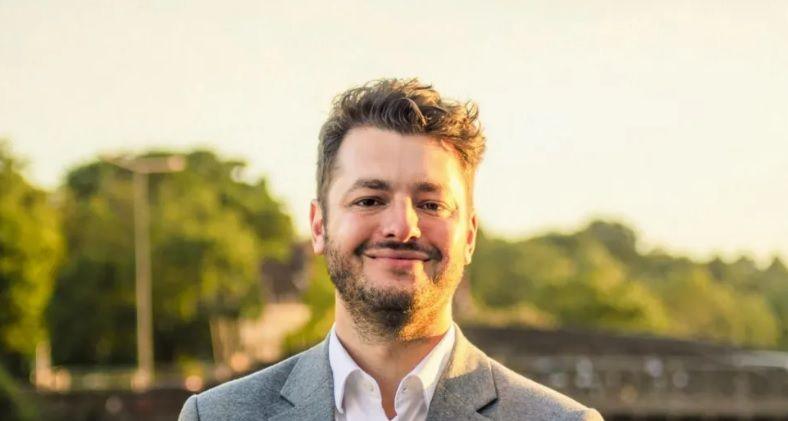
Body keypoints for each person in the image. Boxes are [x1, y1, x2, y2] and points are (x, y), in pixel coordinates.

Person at [178, 78, 603, 420]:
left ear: (469, 235)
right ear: (319, 225)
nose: (402, 227)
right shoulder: (215, 416)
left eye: (431, 204)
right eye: (369, 200)